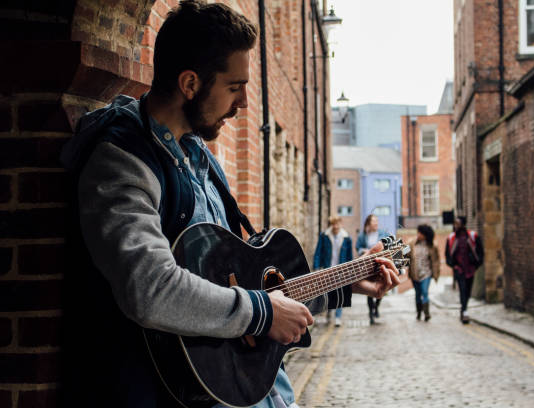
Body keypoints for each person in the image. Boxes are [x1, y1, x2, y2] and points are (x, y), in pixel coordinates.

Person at [59, 2, 400, 407]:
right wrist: (264, 312)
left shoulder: (200, 158)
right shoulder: (123, 160)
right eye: (235, 87)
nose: (243, 106)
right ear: (190, 84)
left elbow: (247, 287)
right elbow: (149, 287)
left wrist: (343, 286)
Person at [313, 216, 353, 327]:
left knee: (340, 292)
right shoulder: (324, 236)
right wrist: (316, 267)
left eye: (337, 224)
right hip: (327, 268)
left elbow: (350, 256)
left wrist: (350, 271)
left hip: (341, 270)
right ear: (331, 224)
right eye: (333, 224)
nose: (335, 226)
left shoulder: (347, 238)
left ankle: (338, 317)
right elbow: (318, 252)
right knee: (329, 293)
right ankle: (330, 311)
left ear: (341, 224)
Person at [445, 216, 484, 324]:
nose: (455, 225)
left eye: (457, 223)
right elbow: (448, 255)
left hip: (470, 269)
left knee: (468, 291)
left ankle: (463, 309)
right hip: (459, 269)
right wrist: (454, 266)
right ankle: (465, 311)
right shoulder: (451, 238)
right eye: (454, 223)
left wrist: (477, 265)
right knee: (462, 290)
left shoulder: (472, 236)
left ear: (463, 224)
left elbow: (480, 252)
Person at [356, 214, 389, 325]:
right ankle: (371, 314)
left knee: (382, 288)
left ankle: (376, 306)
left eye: (376, 221)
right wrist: (364, 251)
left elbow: (388, 245)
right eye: (373, 221)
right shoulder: (363, 235)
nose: (376, 223)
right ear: (368, 223)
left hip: (380, 264)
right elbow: (358, 247)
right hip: (368, 266)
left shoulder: (383, 233)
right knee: (370, 291)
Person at [408, 225, 440, 322]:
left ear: (425, 235)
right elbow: (406, 255)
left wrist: (436, 273)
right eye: (418, 232)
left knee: (425, 292)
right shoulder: (411, 243)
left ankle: (426, 313)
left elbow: (435, 261)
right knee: (418, 294)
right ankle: (418, 312)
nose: (418, 235)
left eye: (420, 233)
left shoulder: (432, 245)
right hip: (415, 273)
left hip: (426, 273)